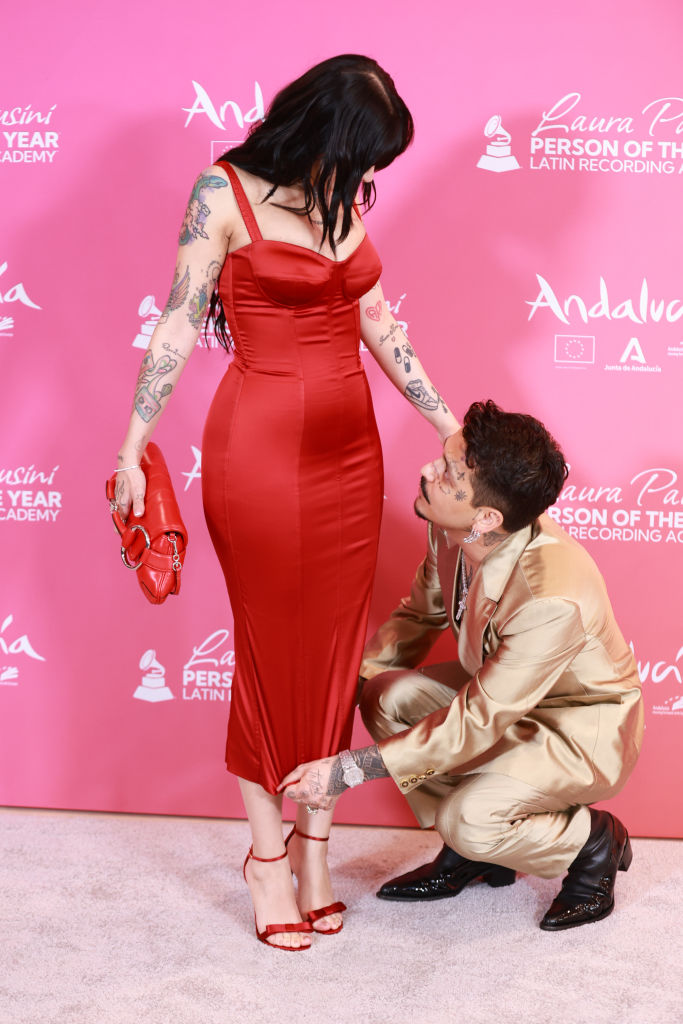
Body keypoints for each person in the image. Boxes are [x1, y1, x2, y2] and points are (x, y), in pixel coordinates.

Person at [114, 54, 459, 951]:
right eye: (365, 157)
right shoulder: (221, 193)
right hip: (257, 453)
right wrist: (131, 440)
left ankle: (315, 845)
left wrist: (444, 422)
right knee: (271, 655)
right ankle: (268, 858)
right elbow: (181, 317)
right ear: (322, 133)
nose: (370, 178)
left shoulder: (340, 197)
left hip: (350, 456)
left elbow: (378, 321)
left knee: (336, 655)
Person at [281, 400, 643, 931]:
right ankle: (479, 853)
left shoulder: (551, 596)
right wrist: (341, 698)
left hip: (578, 724)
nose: (429, 472)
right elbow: (417, 617)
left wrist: (345, 770)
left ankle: (591, 844)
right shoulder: (455, 530)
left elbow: (476, 722)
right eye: (441, 460)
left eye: (449, 474)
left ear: (487, 517)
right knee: (386, 696)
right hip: (502, 698)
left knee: (468, 817)